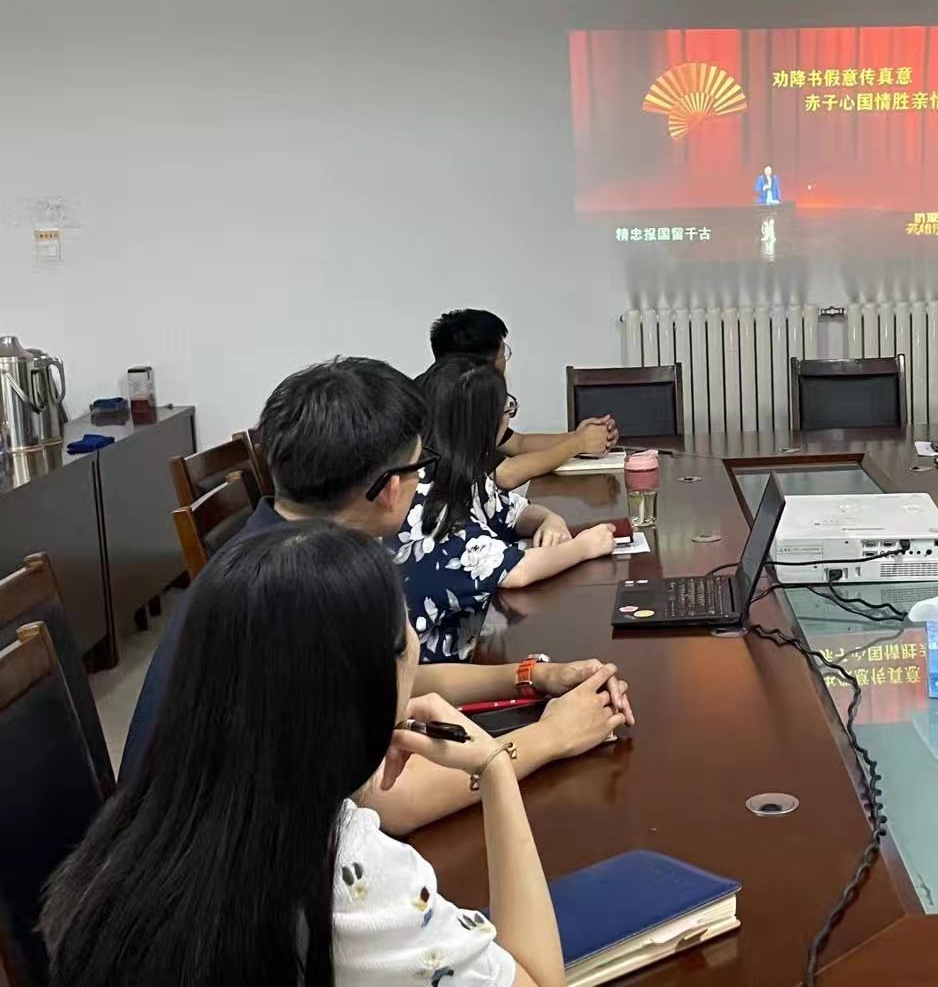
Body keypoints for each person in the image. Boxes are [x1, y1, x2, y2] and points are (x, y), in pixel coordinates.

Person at [45, 523, 577, 986]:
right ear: (359, 691)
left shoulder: (135, 832)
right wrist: (494, 768)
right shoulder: (350, 877)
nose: (416, 644)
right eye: (404, 632)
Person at [122, 357, 635, 835]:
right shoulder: (307, 590)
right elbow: (389, 801)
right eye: (419, 466)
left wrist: (531, 676)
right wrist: (551, 737)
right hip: (221, 879)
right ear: (391, 488)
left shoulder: (275, 543)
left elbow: (388, 681)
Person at [398, 356, 616, 662]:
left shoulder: (459, 474)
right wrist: (586, 546)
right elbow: (517, 571)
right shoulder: (428, 499)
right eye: (506, 409)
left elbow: (513, 512)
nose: (509, 417)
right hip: (436, 669)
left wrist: (550, 520)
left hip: (478, 637)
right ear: (484, 426)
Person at [427, 309, 618, 490]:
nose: (505, 362)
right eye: (503, 354)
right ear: (484, 364)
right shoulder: (451, 404)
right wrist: (578, 443)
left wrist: (582, 436)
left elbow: (518, 443)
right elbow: (505, 473)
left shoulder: (449, 387)